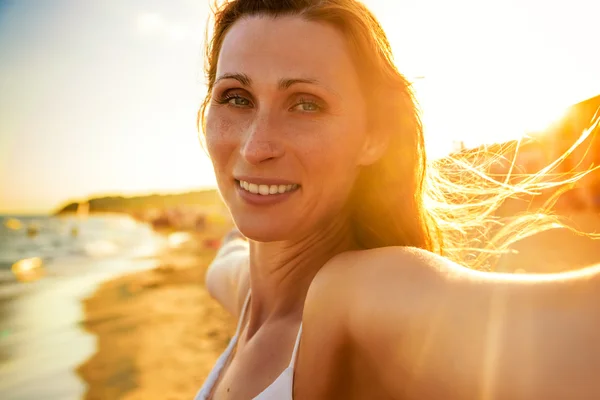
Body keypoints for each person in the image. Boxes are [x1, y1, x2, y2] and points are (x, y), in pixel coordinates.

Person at [194, 1, 600, 399]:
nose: (256, 147)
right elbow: (225, 262)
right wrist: (235, 230)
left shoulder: (359, 295)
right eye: (236, 98)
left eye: (306, 104)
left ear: (374, 137)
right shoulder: (247, 292)